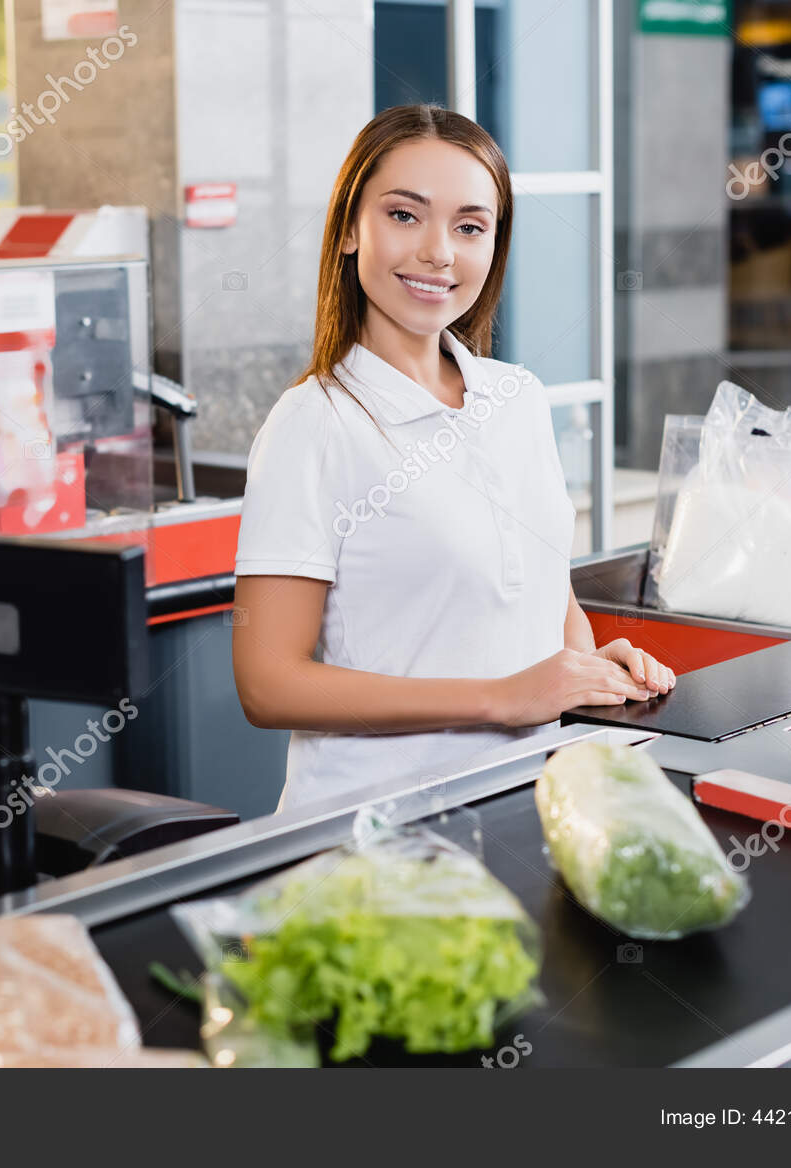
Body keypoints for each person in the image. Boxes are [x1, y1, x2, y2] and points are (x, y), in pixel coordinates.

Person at [232, 104, 676, 811]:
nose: (440, 251)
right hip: (375, 835)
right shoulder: (314, 424)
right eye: (405, 215)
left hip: (530, 803)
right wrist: (502, 699)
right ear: (350, 228)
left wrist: (589, 671)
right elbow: (268, 684)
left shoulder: (518, 398)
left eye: (470, 227)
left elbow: (544, 592)